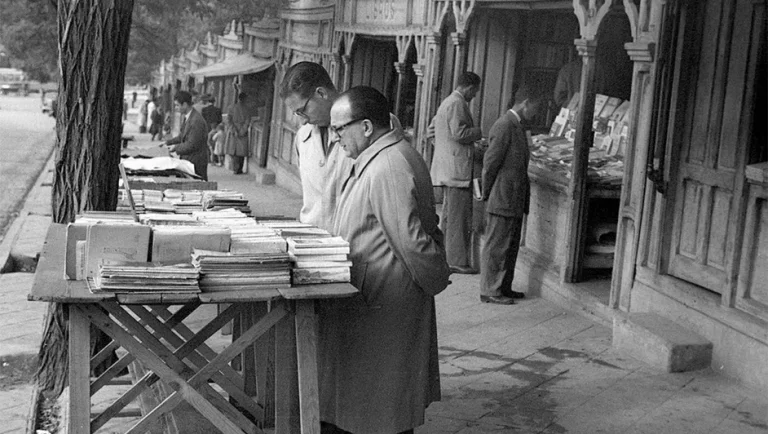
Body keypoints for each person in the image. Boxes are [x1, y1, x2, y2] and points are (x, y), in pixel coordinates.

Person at [326, 86, 450, 434]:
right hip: (373, 295)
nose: (335, 138)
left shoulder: (388, 164)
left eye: (339, 129)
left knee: (383, 408)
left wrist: (436, 279)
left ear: (366, 126)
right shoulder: (378, 157)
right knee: (370, 403)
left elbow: (413, 244)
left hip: (386, 299)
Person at [279, 61, 403, 233]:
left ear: (321, 93)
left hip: (357, 247)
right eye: (297, 114)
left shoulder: (372, 124)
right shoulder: (302, 137)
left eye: (303, 110)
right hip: (312, 244)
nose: (303, 120)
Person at [479, 86, 543, 305]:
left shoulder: (516, 125)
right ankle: (490, 289)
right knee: (497, 245)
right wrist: (487, 193)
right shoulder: (504, 125)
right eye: (535, 108)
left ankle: (503, 286)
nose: (536, 113)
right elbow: (490, 164)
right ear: (525, 103)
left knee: (509, 245)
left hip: (513, 197)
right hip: (502, 196)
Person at [429, 71, 483, 274]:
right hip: (457, 171)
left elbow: (431, 130)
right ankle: (457, 261)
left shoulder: (447, 102)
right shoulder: (458, 104)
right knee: (459, 218)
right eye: (475, 91)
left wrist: (444, 149)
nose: (475, 95)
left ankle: (446, 257)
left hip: (448, 168)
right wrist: (479, 132)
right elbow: (460, 134)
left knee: (450, 217)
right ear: (469, 87)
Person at [163, 91, 210, 180]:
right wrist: (167, 142)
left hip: (196, 162)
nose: (176, 108)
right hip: (189, 160)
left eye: (177, 105)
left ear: (184, 104)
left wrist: (175, 147)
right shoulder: (188, 117)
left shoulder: (196, 121)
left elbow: (192, 145)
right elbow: (182, 136)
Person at [224, 92, 251, 174]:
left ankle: (235, 168)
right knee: (241, 152)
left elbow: (228, 120)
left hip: (233, 131)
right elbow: (247, 121)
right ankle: (239, 169)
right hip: (242, 131)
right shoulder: (247, 109)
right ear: (245, 99)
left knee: (234, 152)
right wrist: (243, 130)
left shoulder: (231, 107)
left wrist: (233, 130)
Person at [201, 95, 223, 164]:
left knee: (207, 143)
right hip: (215, 128)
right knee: (215, 143)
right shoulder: (218, 110)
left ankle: (208, 159)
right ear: (214, 102)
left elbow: (202, 119)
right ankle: (215, 158)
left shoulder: (204, 110)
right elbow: (220, 120)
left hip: (206, 128)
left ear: (208, 102)